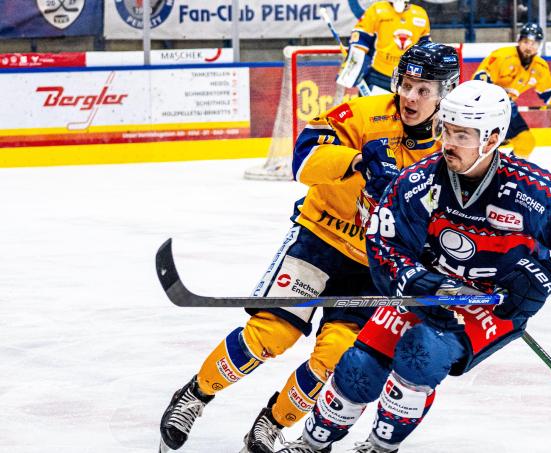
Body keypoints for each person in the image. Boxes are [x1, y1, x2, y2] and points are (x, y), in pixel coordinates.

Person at [276, 80, 551, 453]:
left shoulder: (530, 190)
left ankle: (378, 446)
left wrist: (539, 280)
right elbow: (383, 240)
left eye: (463, 135)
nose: (449, 143)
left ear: (493, 138)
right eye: (447, 131)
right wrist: (412, 279)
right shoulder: (419, 180)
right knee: (358, 366)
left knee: (421, 353)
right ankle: (310, 443)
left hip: (490, 304)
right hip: (431, 290)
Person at [158, 42, 460, 453]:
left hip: (376, 266)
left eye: (423, 90)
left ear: (445, 92)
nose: (410, 96)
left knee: (335, 355)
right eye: (406, 85)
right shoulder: (363, 114)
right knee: (272, 333)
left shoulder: (451, 152)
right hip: (318, 239)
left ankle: (269, 424)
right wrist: (355, 161)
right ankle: (194, 396)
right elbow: (302, 160)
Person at [472, 22, 551, 158]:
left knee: (526, 142)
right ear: (519, 41)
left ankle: (507, 171)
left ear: (539, 45)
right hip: (485, 110)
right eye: (526, 42)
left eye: (534, 43)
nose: (529, 46)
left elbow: (550, 93)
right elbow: (479, 79)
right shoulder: (501, 56)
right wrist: (497, 101)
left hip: (508, 111)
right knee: (481, 146)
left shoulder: (540, 67)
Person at [336, 0, 431, 94]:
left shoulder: (421, 14)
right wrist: (353, 65)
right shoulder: (377, 10)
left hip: (408, 79)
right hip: (377, 76)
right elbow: (360, 39)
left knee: (400, 109)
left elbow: (425, 48)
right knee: (372, 109)